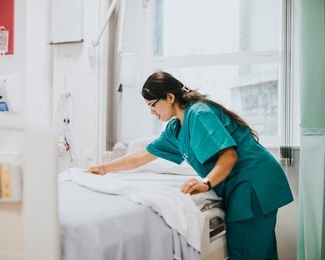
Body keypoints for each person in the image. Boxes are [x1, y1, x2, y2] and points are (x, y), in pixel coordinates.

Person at [87, 71, 293, 260]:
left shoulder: (198, 113)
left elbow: (229, 156)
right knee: (258, 251)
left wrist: (206, 183)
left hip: (253, 181)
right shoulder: (175, 128)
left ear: (169, 97)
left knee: (247, 251)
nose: (151, 112)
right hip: (244, 184)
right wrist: (104, 168)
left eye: (152, 104)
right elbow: (142, 155)